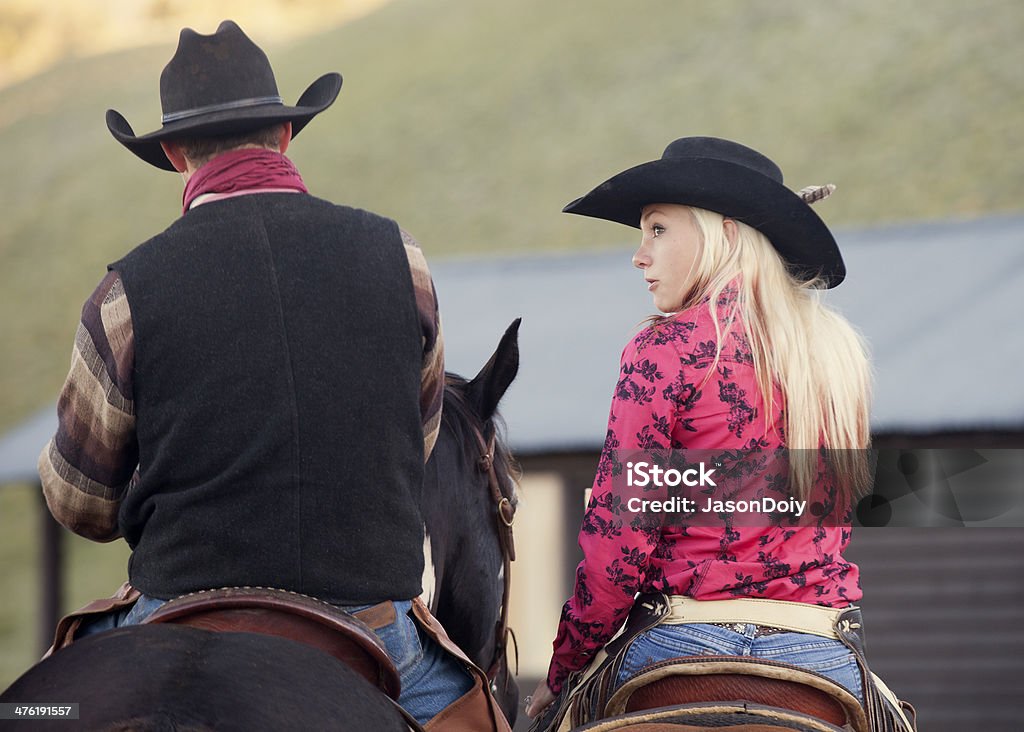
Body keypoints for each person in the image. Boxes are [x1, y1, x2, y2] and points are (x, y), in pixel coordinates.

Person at [37, 20, 506, 729]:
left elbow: (78, 501)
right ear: (285, 137)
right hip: (369, 622)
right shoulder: (399, 259)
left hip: (176, 605)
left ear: (172, 155)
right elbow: (421, 435)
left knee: (43, 705)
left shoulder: (126, 293)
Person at [526, 137, 914, 730]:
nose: (639, 254)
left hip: (679, 638)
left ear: (724, 235)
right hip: (819, 644)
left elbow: (619, 546)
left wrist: (564, 673)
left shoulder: (664, 347)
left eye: (657, 229)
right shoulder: (838, 358)